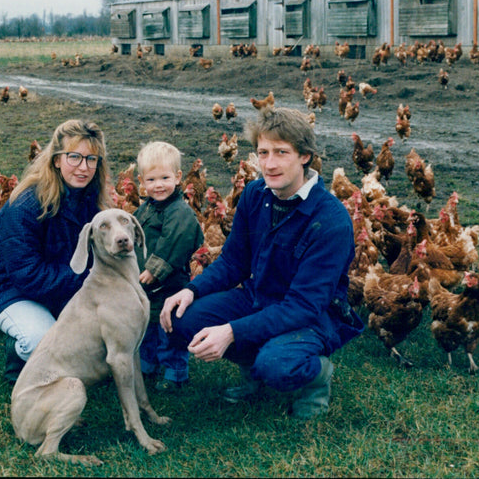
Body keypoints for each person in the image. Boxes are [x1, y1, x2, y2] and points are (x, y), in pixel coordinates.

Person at [160, 107, 364, 419]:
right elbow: (233, 262)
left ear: (305, 156)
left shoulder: (330, 220)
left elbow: (304, 305)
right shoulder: (256, 194)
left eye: (281, 152)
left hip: (314, 315)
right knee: (184, 318)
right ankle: (254, 370)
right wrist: (192, 291)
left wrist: (231, 331)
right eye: (263, 152)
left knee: (277, 364)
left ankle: (316, 375)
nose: (269, 164)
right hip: (260, 297)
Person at [0, 119, 112, 384]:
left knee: (100, 348)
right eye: (74, 157)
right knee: (41, 341)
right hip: (18, 293)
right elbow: (27, 275)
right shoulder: (24, 206)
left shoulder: (92, 201)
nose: (84, 167)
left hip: (68, 289)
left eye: (92, 159)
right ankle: (18, 357)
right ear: (56, 159)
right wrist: (85, 280)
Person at [133, 141, 204, 391]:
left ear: (178, 177)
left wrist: (155, 269)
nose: (158, 185)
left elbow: (175, 240)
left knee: (169, 329)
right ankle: (146, 365)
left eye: (165, 177)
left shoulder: (179, 212)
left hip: (170, 285)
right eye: (151, 179)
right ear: (142, 181)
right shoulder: (147, 208)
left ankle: (175, 373)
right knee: (148, 326)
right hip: (147, 287)